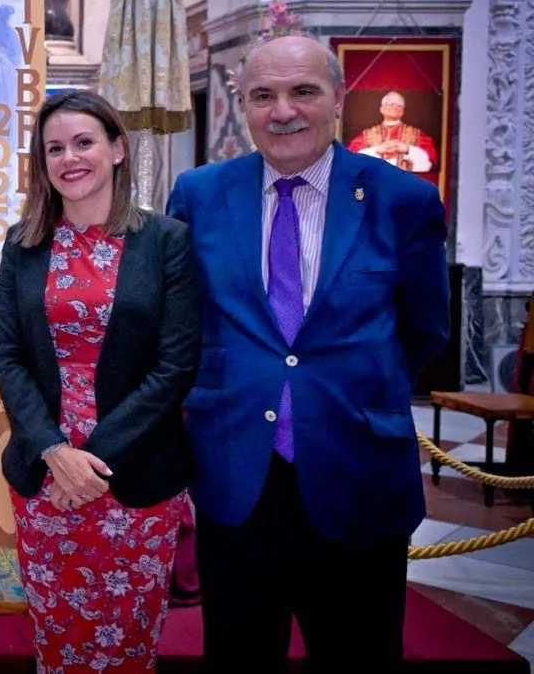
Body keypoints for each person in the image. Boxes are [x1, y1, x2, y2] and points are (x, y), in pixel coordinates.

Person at [167, 35, 449, 673]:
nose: (282, 110)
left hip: (358, 476)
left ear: (339, 99)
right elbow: (183, 324)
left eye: (303, 92)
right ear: (243, 105)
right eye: (263, 96)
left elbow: (424, 329)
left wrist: (350, 392)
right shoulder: (200, 196)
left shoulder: (403, 201)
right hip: (238, 478)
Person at [0, 89, 200, 673]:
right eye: (54, 148)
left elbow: (176, 365)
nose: (69, 158)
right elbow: (7, 358)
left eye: (83, 142)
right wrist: (56, 451)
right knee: (58, 638)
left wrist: (90, 461)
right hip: (44, 472)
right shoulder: (23, 244)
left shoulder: (166, 242)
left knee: (129, 643)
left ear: (116, 150)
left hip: (135, 470)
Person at [345, 90, 436, 172]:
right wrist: (376, 150)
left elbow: (429, 160)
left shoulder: (416, 134)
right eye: (391, 104)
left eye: (399, 105)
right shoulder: (367, 135)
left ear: (403, 111)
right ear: (382, 109)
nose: (395, 107)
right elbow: (352, 159)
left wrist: (408, 149)